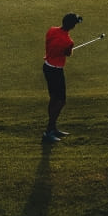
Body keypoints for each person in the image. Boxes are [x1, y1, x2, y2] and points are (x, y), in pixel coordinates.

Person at [42, 12, 81, 143]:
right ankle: (48, 130)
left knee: (53, 98)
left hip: (47, 67)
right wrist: (70, 48)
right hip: (56, 71)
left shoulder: (51, 30)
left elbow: (52, 46)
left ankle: (52, 128)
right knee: (61, 101)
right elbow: (68, 54)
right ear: (72, 26)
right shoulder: (68, 41)